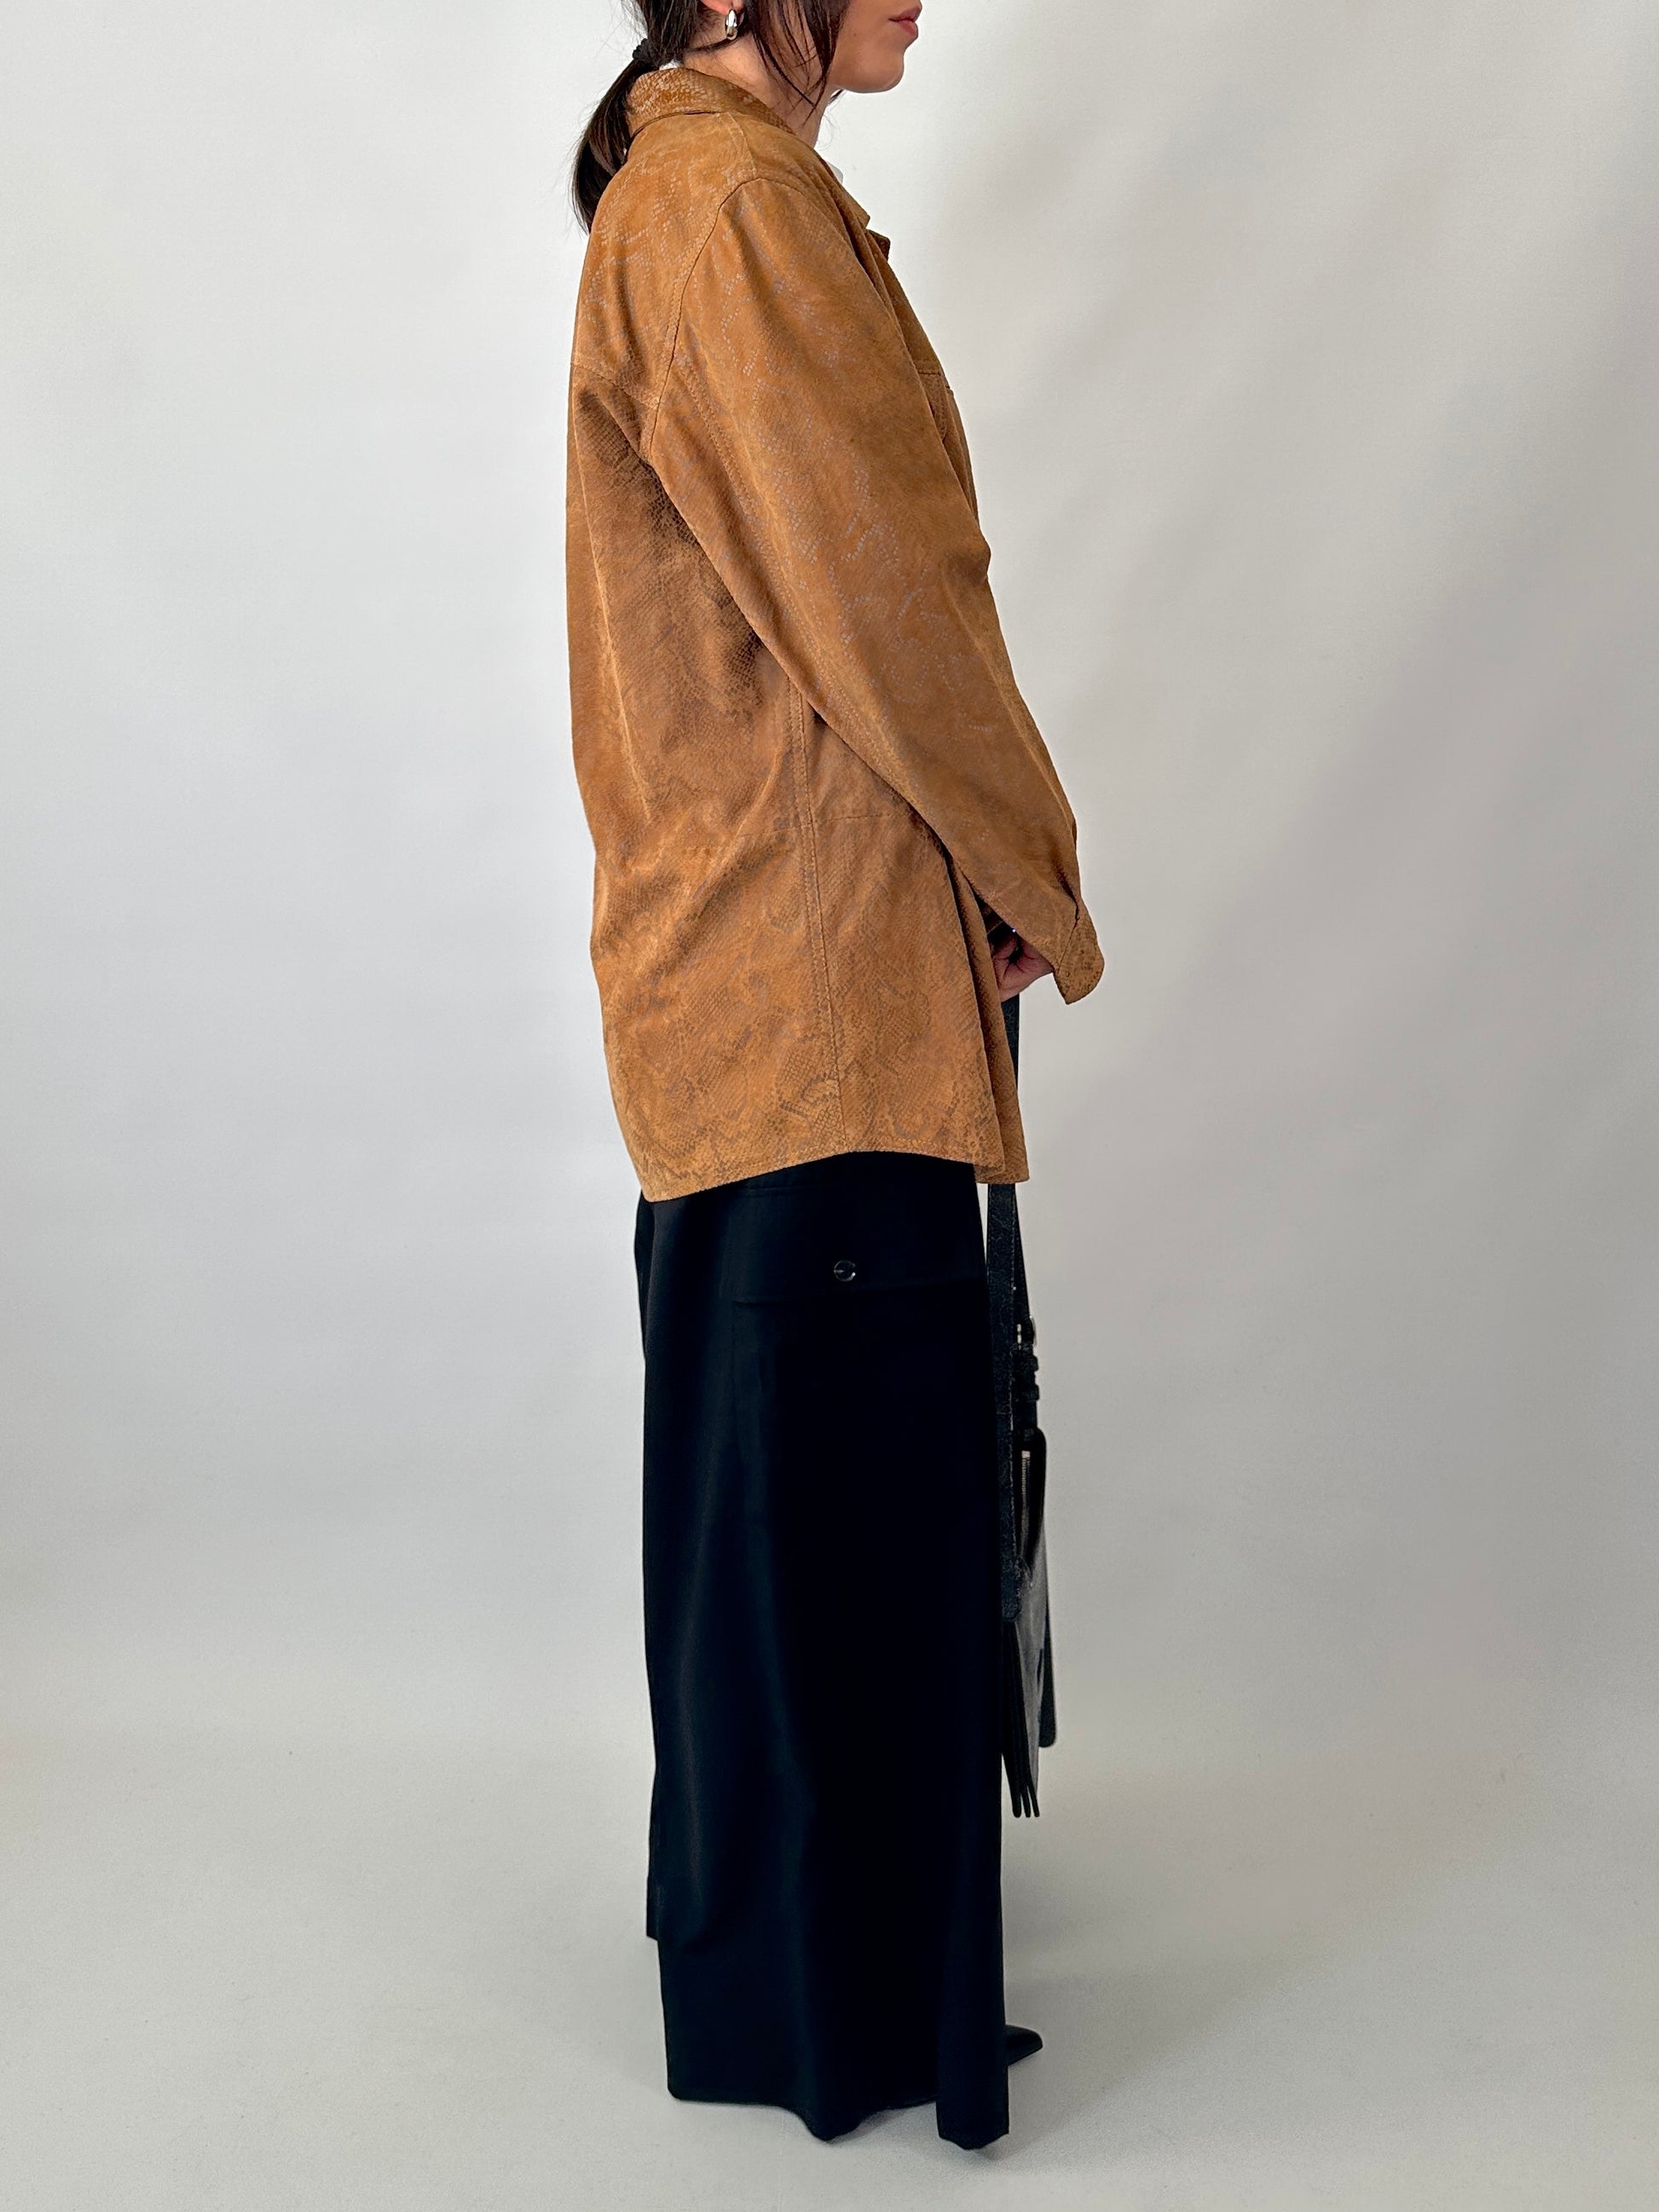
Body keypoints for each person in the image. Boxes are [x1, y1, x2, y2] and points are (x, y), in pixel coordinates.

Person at [565, 0, 1102, 2150]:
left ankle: (820, 1994)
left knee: (798, 1506)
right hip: (809, 975)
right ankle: (840, 2020)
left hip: (776, 969)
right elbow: (881, 601)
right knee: (827, 1510)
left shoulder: (700, 191)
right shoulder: (729, 209)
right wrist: (1027, 863)